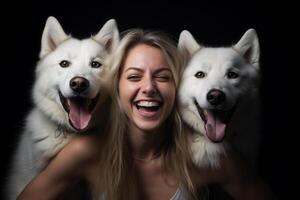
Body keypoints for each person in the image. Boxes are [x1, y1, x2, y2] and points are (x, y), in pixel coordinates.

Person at [17, 29, 276, 200]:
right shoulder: (86, 151)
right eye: (133, 77)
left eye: (163, 77)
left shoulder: (210, 157)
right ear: (116, 86)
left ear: (179, 86)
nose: (149, 88)